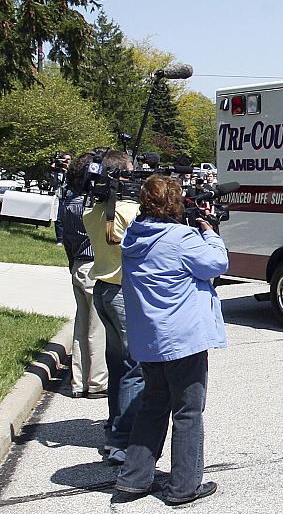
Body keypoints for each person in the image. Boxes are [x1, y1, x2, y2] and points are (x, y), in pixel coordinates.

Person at [115, 175, 228, 505]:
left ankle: (134, 479)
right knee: (188, 411)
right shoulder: (181, 238)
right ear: (174, 203)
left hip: (150, 338)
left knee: (153, 405)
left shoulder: (133, 235)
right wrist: (210, 231)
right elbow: (216, 264)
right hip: (183, 337)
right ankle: (184, 487)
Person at [83, 150, 144, 465]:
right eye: (131, 173)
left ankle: (113, 429)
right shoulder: (129, 212)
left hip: (103, 291)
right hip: (123, 293)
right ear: (121, 177)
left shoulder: (92, 212)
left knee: (118, 365)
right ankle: (123, 440)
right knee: (136, 366)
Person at [62, 153, 108, 399]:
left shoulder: (69, 204)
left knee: (81, 326)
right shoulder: (93, 207)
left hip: (78, 265)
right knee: (96, 328)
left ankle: (78, 381)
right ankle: (98, 382)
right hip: (94, 266)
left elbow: (68, 241)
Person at [52, 152, 72, 245]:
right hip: (59, 196)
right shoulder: (57, 170)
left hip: (70, 197)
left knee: (69, 219)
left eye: (68, 160)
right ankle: (60, 239)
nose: (66, 161)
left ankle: (68, 239)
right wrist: (53, 168)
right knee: (59, 218)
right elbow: (52, 181)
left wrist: (67, 171)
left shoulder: (73, 171)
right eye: (64, 159)